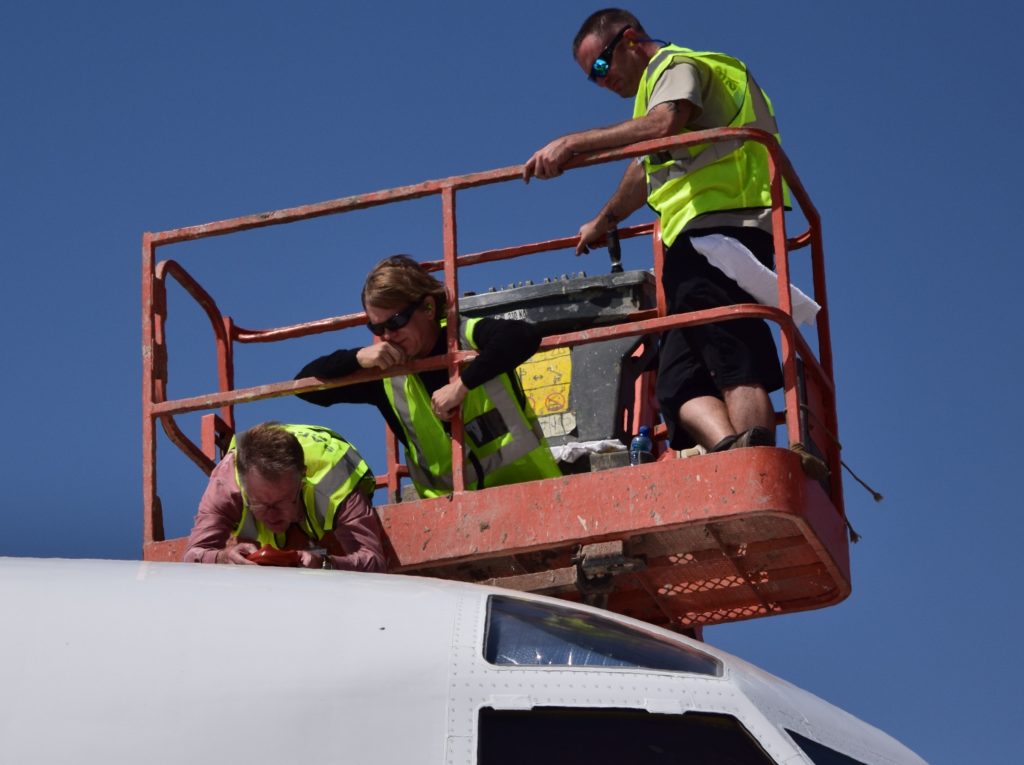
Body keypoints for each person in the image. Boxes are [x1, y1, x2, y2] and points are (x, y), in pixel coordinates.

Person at [523, 8, 786, 454]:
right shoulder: (654, 97)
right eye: (592, 78)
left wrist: (572, 143)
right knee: (677, 381)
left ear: (629, 40)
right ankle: (734, 454)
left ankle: (757, 462)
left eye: (602, 67)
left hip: (722, 228)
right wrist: (604, 222)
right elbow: (645, 169)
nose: (602, 82)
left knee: (732, 354)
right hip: (695, 234)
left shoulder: (676, 66)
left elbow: (663, 125)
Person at [295, 255, 561, 498]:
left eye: (396, 322)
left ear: (429, 308)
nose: (387, 335)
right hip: (453, 521)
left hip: (531, 495)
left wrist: (463, 385)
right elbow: (304, 387)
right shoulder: (385, 376)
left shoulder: (465, 336)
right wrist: (357, 357)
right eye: (377, 327)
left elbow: (524, 336)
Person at [183, 422, 386, 571]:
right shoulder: (225, 484)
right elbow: (193, 555)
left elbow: (374, 562)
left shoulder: (335, 479)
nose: (271, 515)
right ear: (243, 484)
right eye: (260, 504)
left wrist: (326, 563)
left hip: (329, 463)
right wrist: (223, 557)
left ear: (302, 476)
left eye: (281, 502)